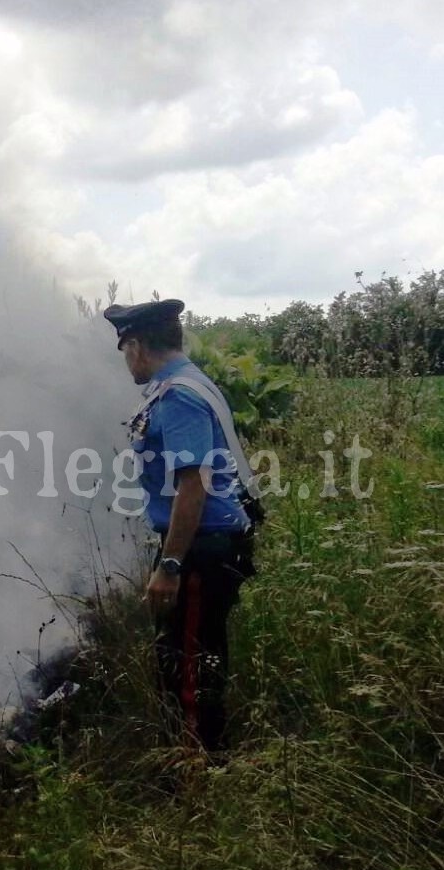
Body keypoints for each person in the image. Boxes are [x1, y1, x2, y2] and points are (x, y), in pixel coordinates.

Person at [103, 300, 257, 759]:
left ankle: (198, 773)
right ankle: (201, 759)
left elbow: (194, 486)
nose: (125, 359)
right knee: (193, 655)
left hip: (197, 552)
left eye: (124, 349)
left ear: (136, 345)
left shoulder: (179, 396)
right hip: (205, 545)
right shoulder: (189, 383)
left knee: (188, 665)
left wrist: (169, 564)